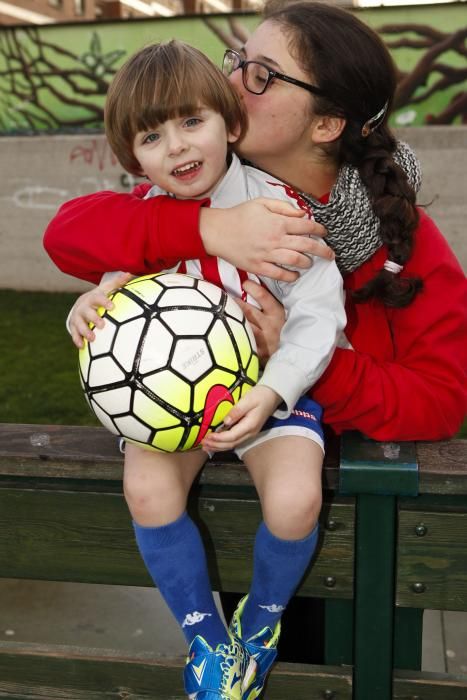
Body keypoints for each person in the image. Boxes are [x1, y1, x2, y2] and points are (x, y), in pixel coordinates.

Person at [43, 0, 467, 690]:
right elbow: (70, 235)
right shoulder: (194, 181)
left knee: (331, 664)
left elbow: (439, 402)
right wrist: (206, 237)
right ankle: (214, 642)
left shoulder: (398, 247)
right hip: (202, 456)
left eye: (262, 75)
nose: (231, 80)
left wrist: (303, 370)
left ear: (325, 123)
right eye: (238, 59)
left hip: (341, 527)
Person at [65, 39, 346, 700]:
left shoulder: (281, 210)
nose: (178, 147)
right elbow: (111, 286)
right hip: (170, 412)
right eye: (151, 136)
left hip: (267, 394)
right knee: (147, 493)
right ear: (131, 156)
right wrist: (87, 308)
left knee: (295, 499)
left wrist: (274, 387)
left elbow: (318, 312)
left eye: (192, 121)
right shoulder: (139, 223)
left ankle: (261, 624)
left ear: (230, 123)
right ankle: (206, 639)